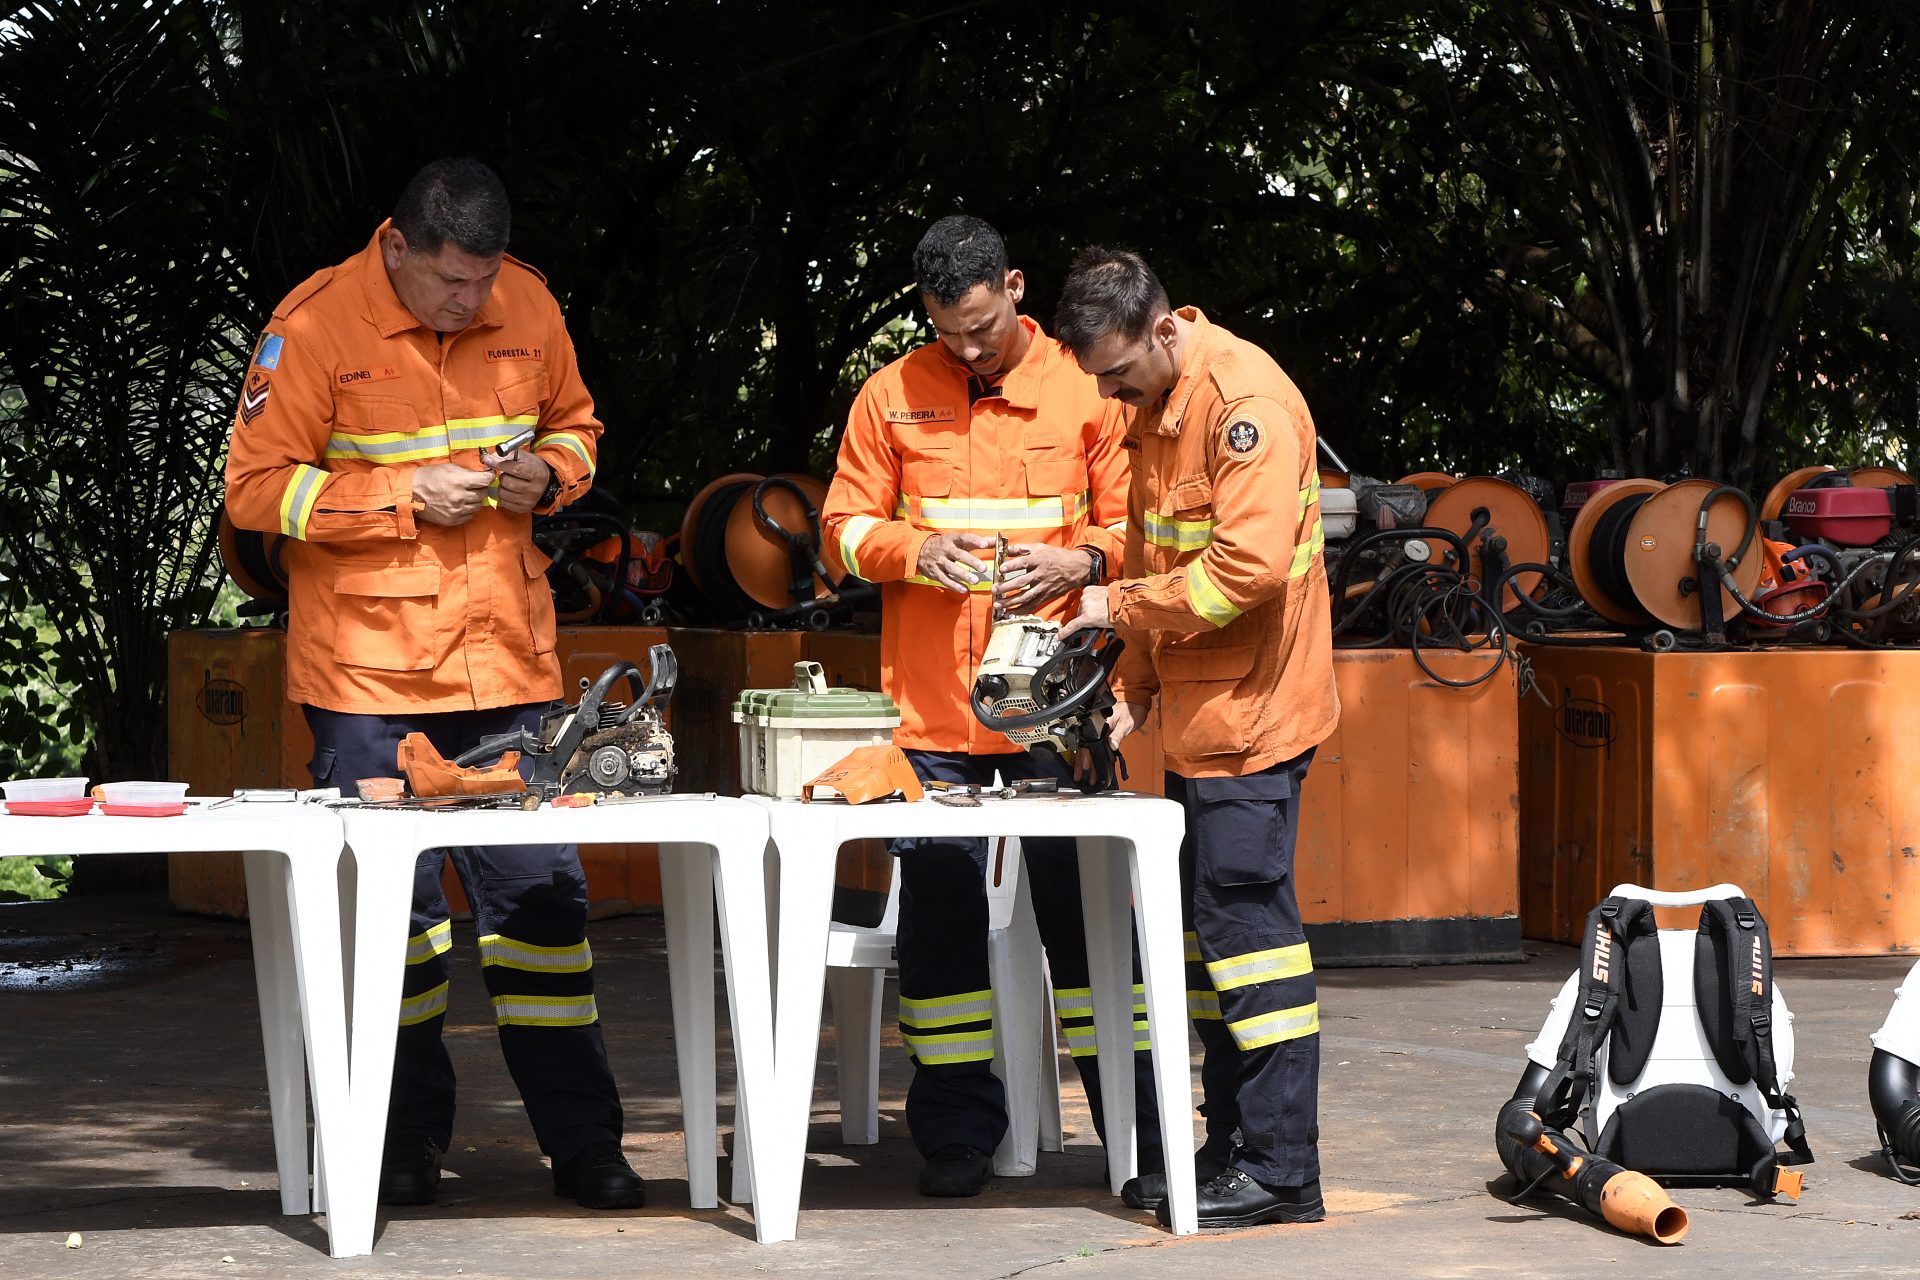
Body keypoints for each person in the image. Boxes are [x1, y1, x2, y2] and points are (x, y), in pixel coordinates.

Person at [223, 158, 644, 1210]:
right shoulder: (314, 325)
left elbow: (579, 428)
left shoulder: (529, 300)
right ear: (397, 245)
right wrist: (402, 493)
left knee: (543, 911)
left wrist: (549, 474)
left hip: (504, 663)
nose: (470, 300)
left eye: (484, 279)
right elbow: (255, 489)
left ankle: (586, 1145)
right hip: (367, 678)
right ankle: (397, 1145)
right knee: (396, 931)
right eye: (451, 280)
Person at [821, 215, 1161, 1198]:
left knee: (1090, 922)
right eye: (946, 331)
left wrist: (1083, 559)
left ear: (1015, 285)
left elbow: (1142, 526)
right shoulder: (890, 395)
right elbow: (841, 529)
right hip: (933, 719)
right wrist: (908, 551)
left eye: (981, 326)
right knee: (940, 931)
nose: (966, 348)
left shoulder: (1085, 385)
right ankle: (957, 1137)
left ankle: (1132, 1139)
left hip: (1053, 704)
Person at [1055, 247, 1339, 1228]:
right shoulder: (1158, 410)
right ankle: (1222, 1151)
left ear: (1163, 327)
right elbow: (1154, 554)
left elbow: (1243, 572)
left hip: (1255, 720)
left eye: (1116, 370)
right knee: (1213, 952)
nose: (1107, 391)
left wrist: (1104, 602)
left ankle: (1281, 1169)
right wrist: (1132, 680)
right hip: (1200, 720)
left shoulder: (1240, 402)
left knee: (1252, 944)